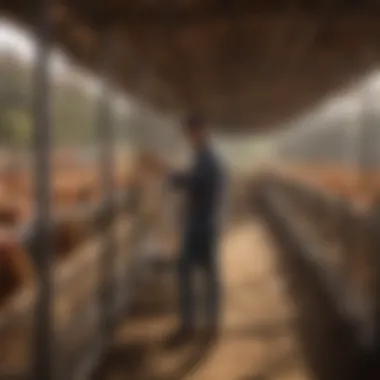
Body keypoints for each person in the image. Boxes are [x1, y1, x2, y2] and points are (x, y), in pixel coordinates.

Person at [150, 114, 226, 345]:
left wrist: (166, 171)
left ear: (201, 132)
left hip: (200, 226)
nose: (188, 137)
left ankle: (192, 326)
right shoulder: (205, 157)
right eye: (188, 133)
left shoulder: (207, 159)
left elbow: (193, 182)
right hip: (204, 224)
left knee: (193, 274)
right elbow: (193, 182)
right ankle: (206, 325)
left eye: (191, 132)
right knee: (205, 275)